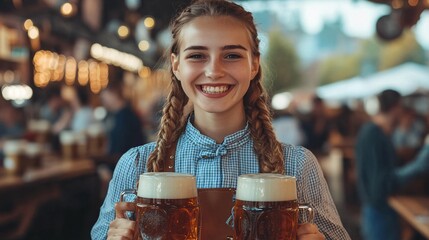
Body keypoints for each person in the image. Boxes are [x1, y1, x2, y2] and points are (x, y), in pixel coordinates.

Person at [91, 1, 350, 239]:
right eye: (197, 55)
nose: (214, 71)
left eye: (232, 55)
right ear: (176, 65)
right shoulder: (136, 165)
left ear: (254, 65)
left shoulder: (297, 166)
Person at [355, 89, 429, 240]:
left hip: (374, 208)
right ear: (396, 107)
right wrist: (420, 163)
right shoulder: (374, 134)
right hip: (379, 210)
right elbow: (382, 183)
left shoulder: (371, 131)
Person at [99, 81, 148, 169]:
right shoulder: (121, 114)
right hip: (124, 163)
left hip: (127, 166)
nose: (103, 101)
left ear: (113, 95)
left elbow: (122, 150)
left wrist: (108, 169)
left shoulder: (125, 117)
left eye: (104, 98)